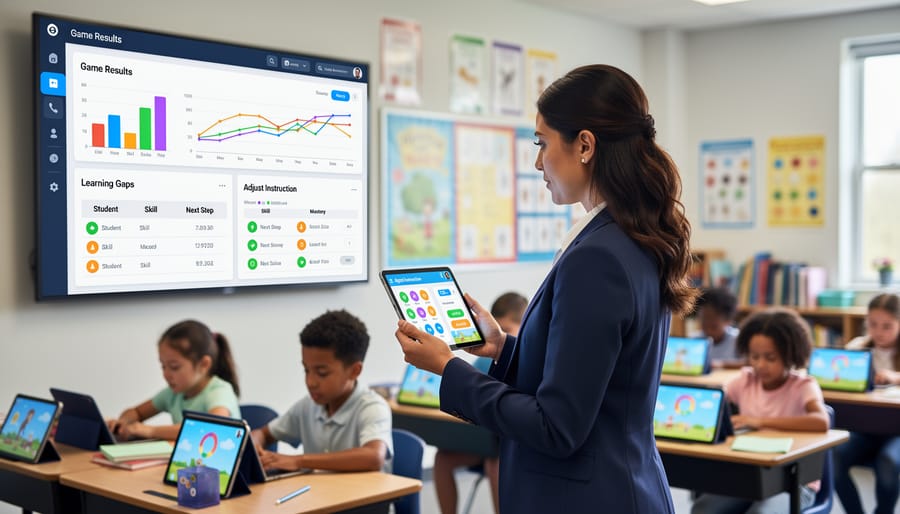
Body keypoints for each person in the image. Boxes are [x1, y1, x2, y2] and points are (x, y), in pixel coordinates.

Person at [395, 64, 697, 513]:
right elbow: (596, 378)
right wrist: (504, 349)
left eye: (542, 143)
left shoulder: (598, 257)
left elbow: (558, 426)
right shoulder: (629, 238)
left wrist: (449, 369)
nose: (537, 162)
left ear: (585, 145)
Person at [691, 308, 829, 514]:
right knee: (703, 509)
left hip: (795, 481)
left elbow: (821, 421)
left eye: (770, 358)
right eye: (754, 357)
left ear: (791, 354)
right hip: (750, 475)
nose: (760, 365)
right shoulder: (745, 380)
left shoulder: (803, 386)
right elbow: (714, 404)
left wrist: (759, 421)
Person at [251, 310, 392, 472]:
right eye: (306, 370)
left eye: (322, 373)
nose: (310, 382)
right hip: (322, 495)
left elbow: (373, 456)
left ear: (354, 371)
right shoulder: (308, 406)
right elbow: (263, 433)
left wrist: (300, 461)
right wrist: (255, 444)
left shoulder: (372, 407)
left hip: (367, 496)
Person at [434, 291, 528, 514]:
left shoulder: (526, 361)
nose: (500, 336)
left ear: (523, 327)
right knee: (443, 458)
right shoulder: (481, 360)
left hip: (510, 443)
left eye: (507, 330)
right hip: (484, 440)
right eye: (497, 329)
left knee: (495, 463)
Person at [108, 320, 241, 440]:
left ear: (203, 365)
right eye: (163, 366)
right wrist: (123, 422)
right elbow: (136, 412)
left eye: (174, 367)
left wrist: (151, 431)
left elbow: (210, 429)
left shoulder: (219, 392)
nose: (166, 374)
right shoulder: (173, 394)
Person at [834, 293, 900, 514]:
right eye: (873, 324)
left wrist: (895, 377)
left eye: (887, 326)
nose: (879, 332)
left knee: (888, 462)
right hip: (862, 427)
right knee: (831, 457)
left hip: (896, 431)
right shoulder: (857, 348)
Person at [695, 286, 742, 368]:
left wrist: (721, 364)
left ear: (728, 321)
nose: (708, 330)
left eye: (714, 326)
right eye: (704, 325)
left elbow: (749, 362)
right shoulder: (694, 340)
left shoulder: (738, 340)